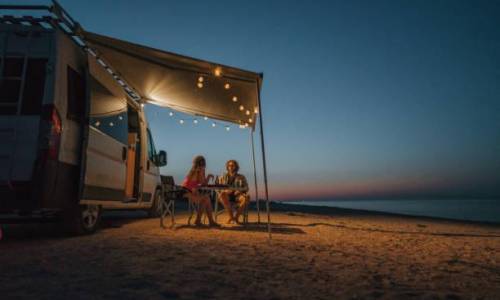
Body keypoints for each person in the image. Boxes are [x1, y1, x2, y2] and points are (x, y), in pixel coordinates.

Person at [182, 155, 219, 227]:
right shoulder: (199, 170)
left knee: (206, 199)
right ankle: (207, 221)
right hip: (187, 192)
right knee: (206, 198)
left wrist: (206, 177)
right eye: (203, 163)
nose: (203, 165)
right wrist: (208, 176)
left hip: (186, 190)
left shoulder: (193, 169)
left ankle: (201, 221)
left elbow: (201, 183)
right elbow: (203, 183)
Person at [218, 159, 250, 224]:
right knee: (222, 194)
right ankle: (231, 217)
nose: (231, 167)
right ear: (227, 167)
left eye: (233, 165)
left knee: (247, 197)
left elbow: (246, 187)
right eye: (229, 165)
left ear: (236, 166)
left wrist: (240, 190)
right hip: (226, 195)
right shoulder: (223, 176)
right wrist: (225, 191)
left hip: (237, 195)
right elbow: (218, 187)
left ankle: (236, 218)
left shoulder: (241, 177)